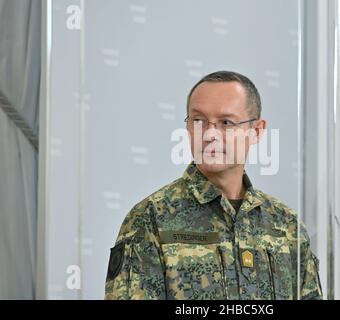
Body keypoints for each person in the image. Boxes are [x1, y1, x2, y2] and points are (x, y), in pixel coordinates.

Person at [104, 70, 322, 300]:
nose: (209, 135)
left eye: (226, 123)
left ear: (256, 131)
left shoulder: (284, 223)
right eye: (198, 121)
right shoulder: (152, 218)